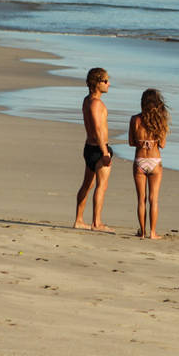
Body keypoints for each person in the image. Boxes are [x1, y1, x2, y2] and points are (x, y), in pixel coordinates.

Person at [74, 67, 114, 232]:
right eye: (105, 81)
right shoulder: (96, 103)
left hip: (89, 147)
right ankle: (96, 223)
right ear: (97, 83)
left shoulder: (87, 100)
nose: (108, 84)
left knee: (87, 185)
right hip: (98, 148)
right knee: (101, 186)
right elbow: (98, 129)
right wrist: (105, 152)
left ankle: (79, 220)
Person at [128, 88, 170, 239]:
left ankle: (143, 232)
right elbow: (163, 144)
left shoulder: (135, 119)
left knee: (141, 199)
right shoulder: (160, 120)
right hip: (155, 160)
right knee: (154, 199)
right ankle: (153, 232)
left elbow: (131, 143)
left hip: (139, 160)